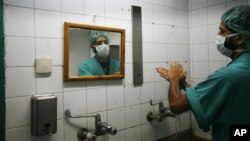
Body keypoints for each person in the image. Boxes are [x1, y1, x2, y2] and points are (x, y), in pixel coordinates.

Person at [156, 5, 250, 141]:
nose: (218, 36)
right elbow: (206, 100)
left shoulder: (230, 75)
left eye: (222, 31)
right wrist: (184, 84)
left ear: (239, 39)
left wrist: (174, 79)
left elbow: (176, 105)